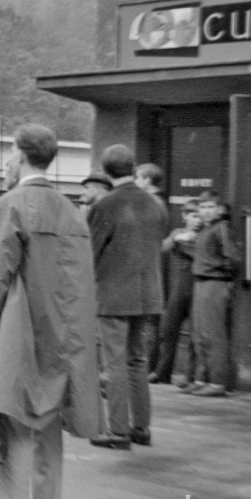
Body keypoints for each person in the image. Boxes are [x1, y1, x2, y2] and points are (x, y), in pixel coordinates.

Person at [0, 125, 99, 499]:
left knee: (17, 428)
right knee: (49, 428)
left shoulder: (11, 206)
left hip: (21, 331)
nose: (7, 161)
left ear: (21, 156)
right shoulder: (71, 210)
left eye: (9, 153)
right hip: (65, 332)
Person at [87, 144, 167, 449]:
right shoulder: (155, 204)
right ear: (132, 168)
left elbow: (91, 252)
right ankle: (141, 428)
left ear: (106, 170)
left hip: (112, 293)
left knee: (114, 363)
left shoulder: (105, 205)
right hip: (147, 293)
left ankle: (118, 431)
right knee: (137, 360)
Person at [187, 192, 238, 397]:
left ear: (219, 209)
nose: (206, 211)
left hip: (214, 283)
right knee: (200, 333)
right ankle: (201, 379)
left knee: (213, 334)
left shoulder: (221, 228)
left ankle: (217, 382)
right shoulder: (206, 229)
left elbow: (232, 257)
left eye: (211, 207)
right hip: (201, 282)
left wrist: (226, 277)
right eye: (203, 207)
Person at [150, 200, 202, 385]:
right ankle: (162, 372)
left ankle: (192, 377)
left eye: (199, 216)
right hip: (180, 286)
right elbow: (162, 248)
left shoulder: (205, 234)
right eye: (194, 216)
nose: (198, 220)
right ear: (184, 216)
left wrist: (191, 240)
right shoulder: (177, 233)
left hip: (199, 286)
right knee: (168, 329)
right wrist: (177, 238)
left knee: (196, 333)